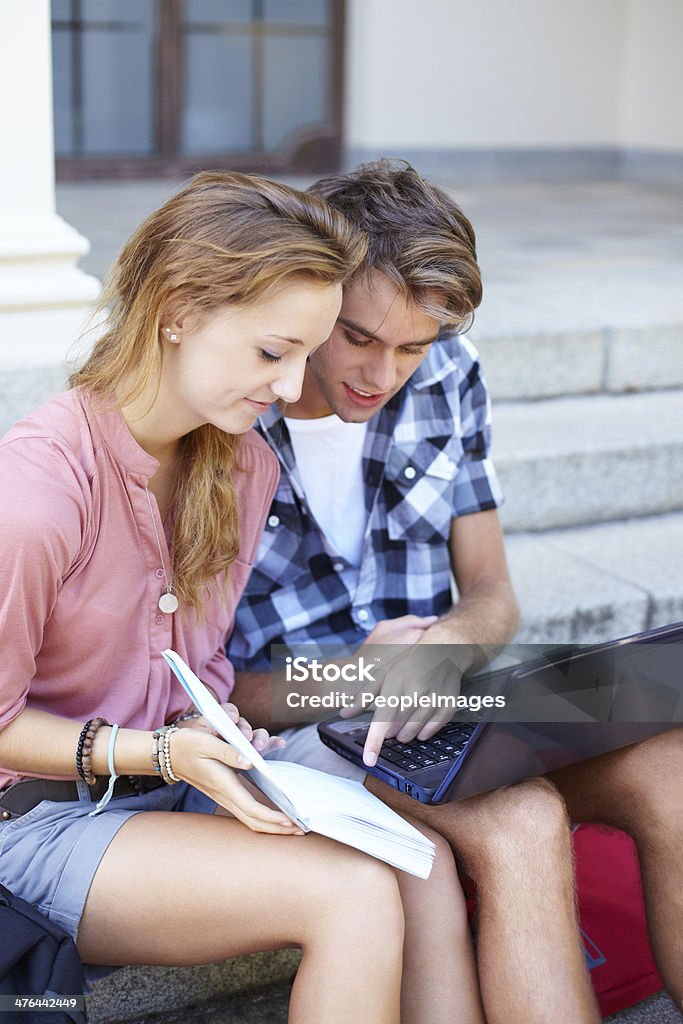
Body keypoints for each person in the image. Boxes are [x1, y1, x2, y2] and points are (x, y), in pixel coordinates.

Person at [0, 170, 482, 1024]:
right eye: (273, 352)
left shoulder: (240, 463)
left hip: (182, 776)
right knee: (351, 894)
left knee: (418, 858)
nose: (295, 390)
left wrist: (225, 722)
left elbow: (202, 668)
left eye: (306, 353)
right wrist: (161, 752)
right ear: (177, 309)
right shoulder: (36, 495)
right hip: (36, 822)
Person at [229, 160, 683, 1024]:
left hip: (436, 701)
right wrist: (355, 680)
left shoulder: (449, 371)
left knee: (670, 767)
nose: (383, 372)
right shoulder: (235, 409)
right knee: (516, 822)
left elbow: (492, 594)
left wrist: (446, 650)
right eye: (358, 337)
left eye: (412, 345)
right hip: (294, 730)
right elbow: (211, 688)